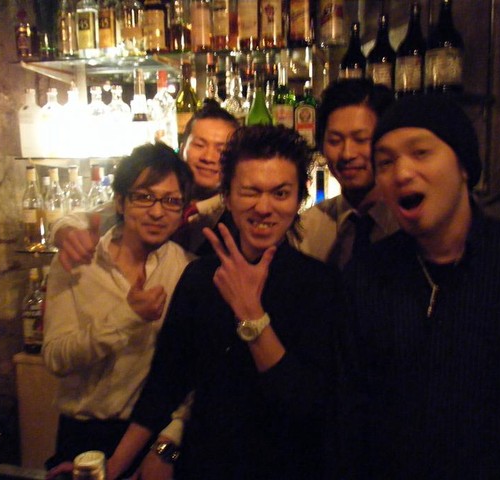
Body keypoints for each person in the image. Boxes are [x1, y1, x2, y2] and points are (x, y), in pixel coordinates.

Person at [346, 94, 500, 478]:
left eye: (421, 152)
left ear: (463, 165)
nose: (402, 173)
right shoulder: (368, 274)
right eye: (386, 162)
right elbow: (351, 410)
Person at [106, 126, 348, 480]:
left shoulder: (320, 285)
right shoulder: (199, 277)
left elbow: (307, 406)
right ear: (228, 197)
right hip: (204, 466)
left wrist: (252, 315)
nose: (263, 207)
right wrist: (110, 469)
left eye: (280, 193)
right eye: (250, 191)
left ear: (299, 199)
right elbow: (165, 385)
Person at [42, 143, 196, 476]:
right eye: (144, 197)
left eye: (171, 201)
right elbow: (55, 357)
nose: (157, 212)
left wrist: (169, 442)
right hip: (82, 434)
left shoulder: (186, 269)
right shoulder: (77, 262)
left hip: (152, 438)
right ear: (120, 202)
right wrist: (127, 318)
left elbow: (189, 374)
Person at [52, 104, 239, 271]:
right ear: (183, 148)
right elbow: (87, 218)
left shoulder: (236, 215)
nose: (208, 157)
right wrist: (66, 232)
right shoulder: (150, 194)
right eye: (199, 145)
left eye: (221, 150)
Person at [290, 78, 398, 269]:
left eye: (361, 139)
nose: (347, 154)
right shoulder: (306, 228)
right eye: (335, 140)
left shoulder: (409, 222)